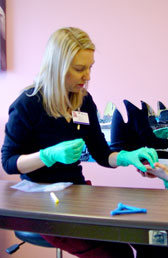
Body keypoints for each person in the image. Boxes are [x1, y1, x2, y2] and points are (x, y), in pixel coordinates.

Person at [1, 27, 159, 258]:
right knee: (115, 255)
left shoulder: (83, 102)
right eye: (79, 69)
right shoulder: (28, 104)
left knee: (151, 243)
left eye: (90, 67)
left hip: (76, 194)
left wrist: (127, 157)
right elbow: (9, 163)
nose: (87, 76)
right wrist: (48, 155)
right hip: (41, 202)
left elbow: (102, 154)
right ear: (58, 67)